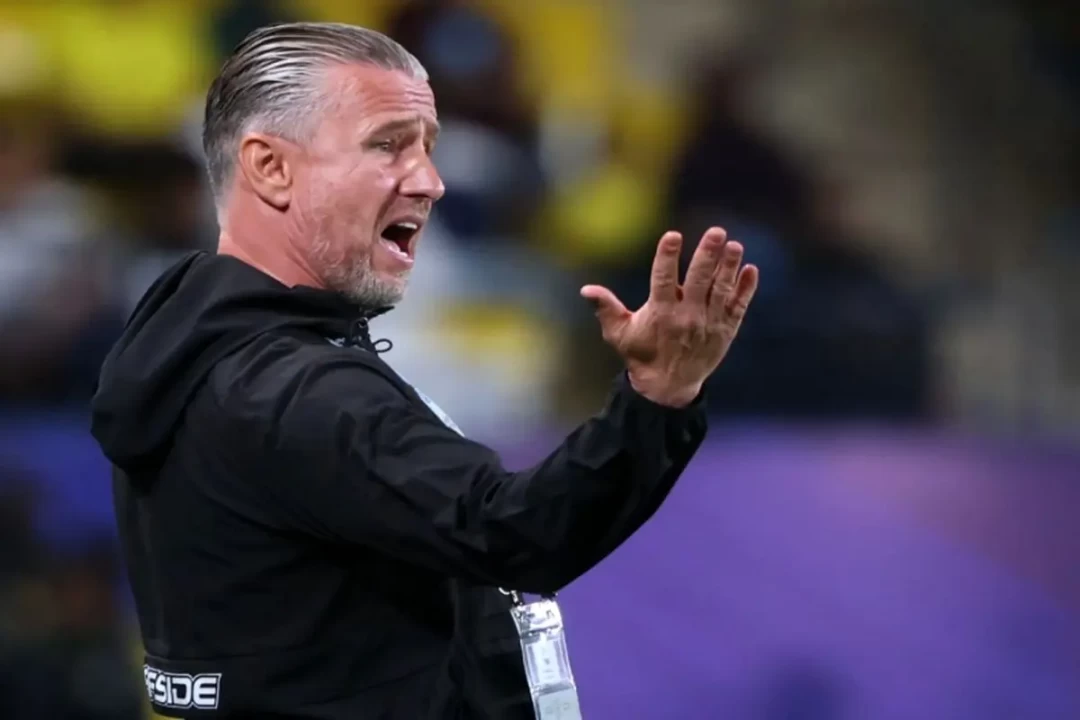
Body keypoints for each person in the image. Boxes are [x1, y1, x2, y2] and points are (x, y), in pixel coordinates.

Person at [89, 22, 758, 719]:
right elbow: (514, 531)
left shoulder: (200, 356)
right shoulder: (293, 393)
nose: (431, 182)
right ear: (271, 168)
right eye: (387, 145)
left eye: (428, 148)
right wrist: (657, 397)